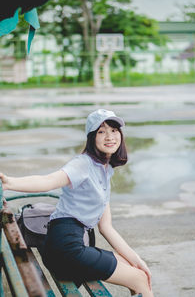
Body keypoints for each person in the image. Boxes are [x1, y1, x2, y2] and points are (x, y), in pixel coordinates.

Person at [0, 109, 154, 297]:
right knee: (139, 279)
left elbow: (106, 227)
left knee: (138, 272)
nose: (109, 136)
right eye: (101, 131)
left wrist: (137, 259)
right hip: (65, 248)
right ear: (91, 137)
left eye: (114, 130)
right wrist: (10, 183)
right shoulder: (83, 164)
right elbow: (49, 180)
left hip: (71, 244)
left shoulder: (105, 171)